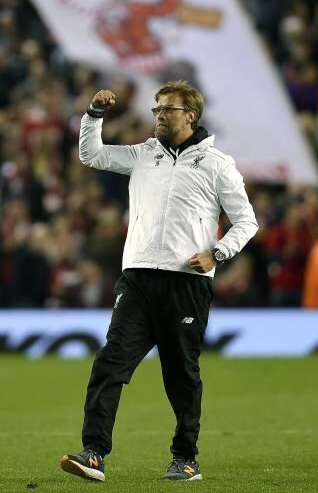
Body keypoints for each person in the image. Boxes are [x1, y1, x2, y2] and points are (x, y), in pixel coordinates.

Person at [60, 80, 258, 483]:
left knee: (181, 375)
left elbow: (246, 221)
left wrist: (218, 253)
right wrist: (94, 114)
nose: (160, 116)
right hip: (136, 280)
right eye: (157, 109)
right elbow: (91, 154)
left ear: (191, 117)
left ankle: (185, 458)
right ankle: (94, 453)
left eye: (168, 109)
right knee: (110, 364)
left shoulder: (217, 164)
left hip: (186, 283)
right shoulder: (142, 155)